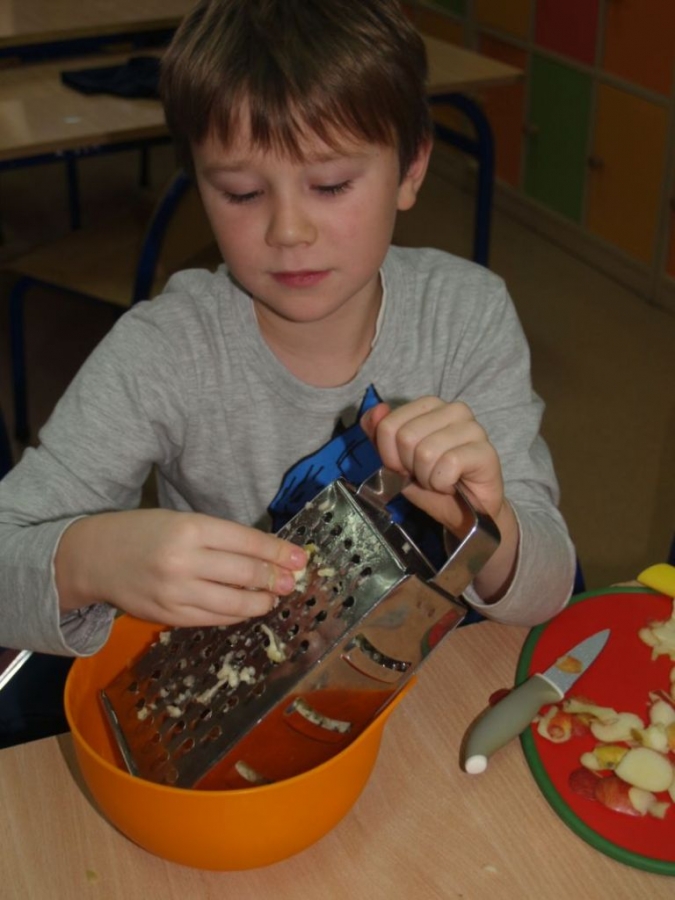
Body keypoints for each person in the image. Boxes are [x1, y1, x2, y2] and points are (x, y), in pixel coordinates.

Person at [0, 0, 575, 666]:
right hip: (232, 676)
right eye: (242, 193)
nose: (288, 231)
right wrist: (88, 559)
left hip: (421, 679)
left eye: (329, 184)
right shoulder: (163, 351)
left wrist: (486, 523)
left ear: (411, 169)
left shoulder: (466, 315)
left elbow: (548, 587)